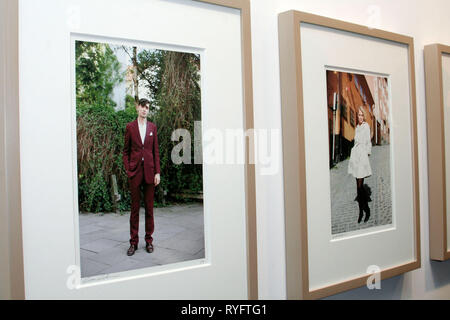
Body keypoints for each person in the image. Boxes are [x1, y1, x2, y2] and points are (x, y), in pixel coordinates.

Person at [123, 98, 161, 256]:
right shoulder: (130, 127)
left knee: (150, 210)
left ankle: (149, 241)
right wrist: (128, 169)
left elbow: (155, 152)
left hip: (150, 173)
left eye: (147, 108)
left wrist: (157, 172)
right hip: (135, 173)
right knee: (134, 210)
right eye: (142, 107)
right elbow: (125, 151)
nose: (145, 110)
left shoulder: (153, 127)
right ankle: (133, 243)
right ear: (137, 108)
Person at [348, 106, 372, 223]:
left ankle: (366, 210)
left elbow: (368, 141)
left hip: (362, 156)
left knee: (360, 186)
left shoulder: (366, 126)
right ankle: (361, 211)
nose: (360, 117)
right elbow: (355, 141)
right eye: (358, 115)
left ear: (364, 116)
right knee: (357, 188)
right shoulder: (357, 127)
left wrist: (366, 154)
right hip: (356, 156)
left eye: (362, 115)